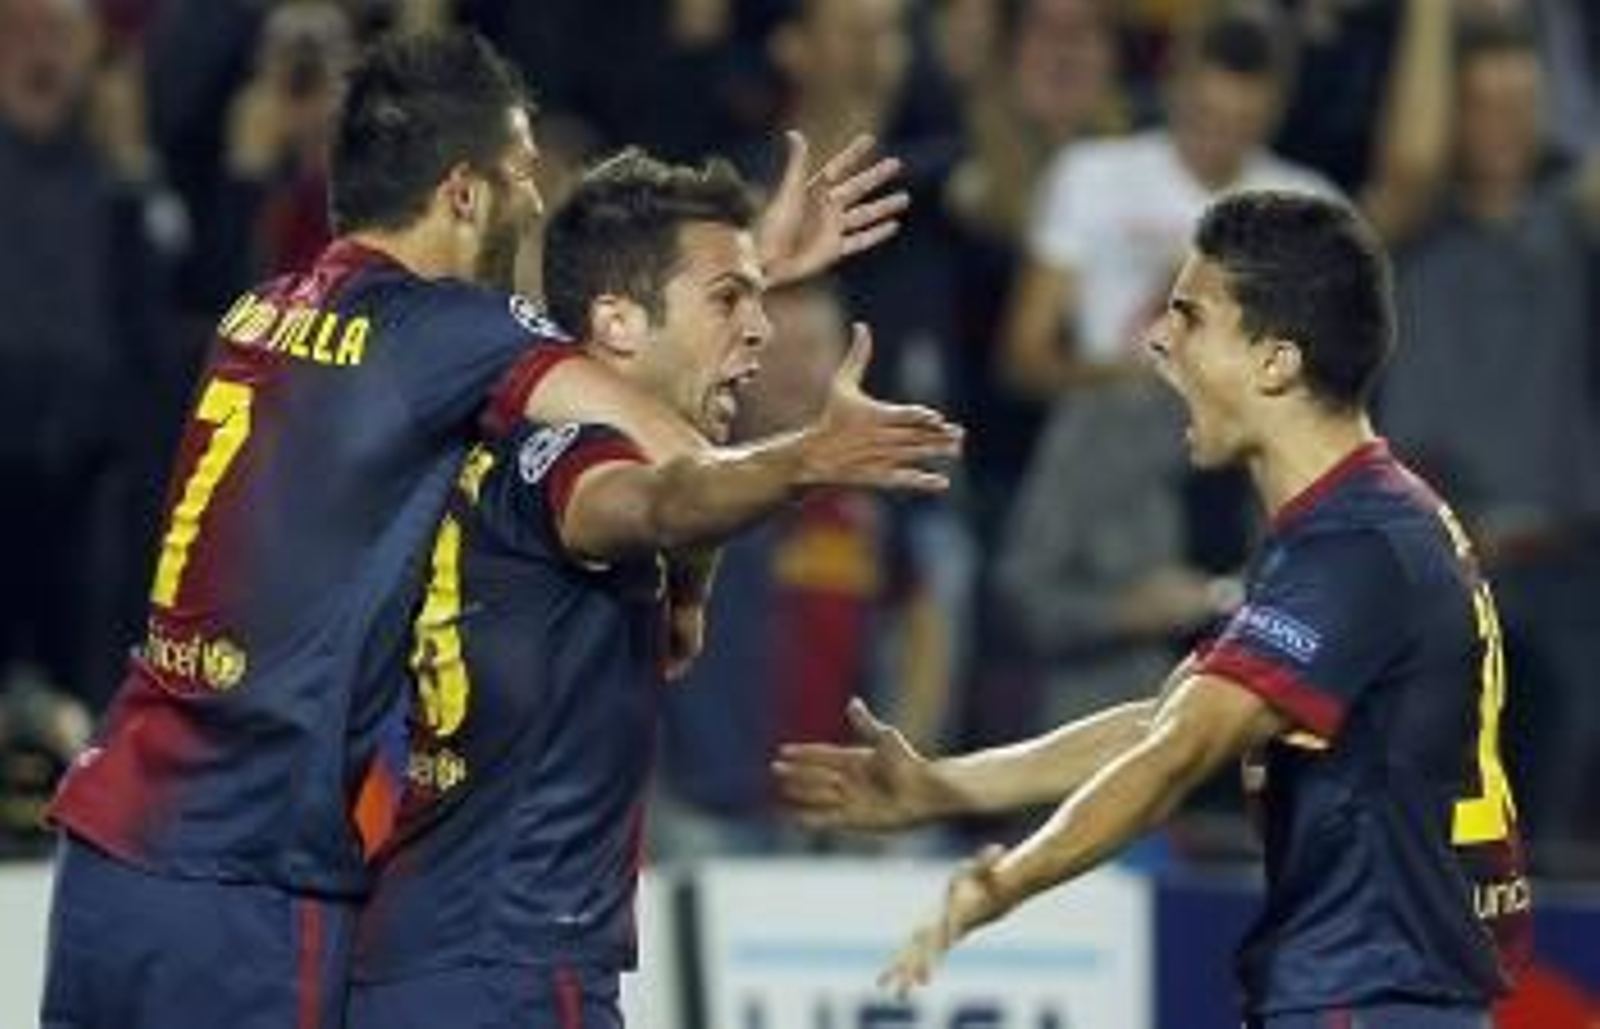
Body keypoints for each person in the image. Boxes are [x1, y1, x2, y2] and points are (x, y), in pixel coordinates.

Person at [41, 28, 916, 1029]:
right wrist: (798, 455)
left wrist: (741, 265)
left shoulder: (262, 310)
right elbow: (669, 457)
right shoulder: (455, 338)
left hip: (113, 838)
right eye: (517, 173)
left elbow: (590, 339)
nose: (535, 198)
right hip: (252, 866)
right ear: (462, 192)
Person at [777, 191, 1532, 1028]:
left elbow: (1180, 750)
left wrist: (1005, 880)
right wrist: (944, 784)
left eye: (1190, 315)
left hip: (1371, 999)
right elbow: (1166, 719)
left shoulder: (1354, 548)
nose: (1158, 338)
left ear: (1276, 361)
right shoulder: (1358, 521)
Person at [345, 149, 960, 1029]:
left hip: (441, 945)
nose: (762, 329)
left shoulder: (505, 423)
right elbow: (666, 497)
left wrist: (752, 271)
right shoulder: (578, 454)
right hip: (508, 962)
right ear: (619, 324)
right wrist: (810, 454)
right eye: (729, 302)